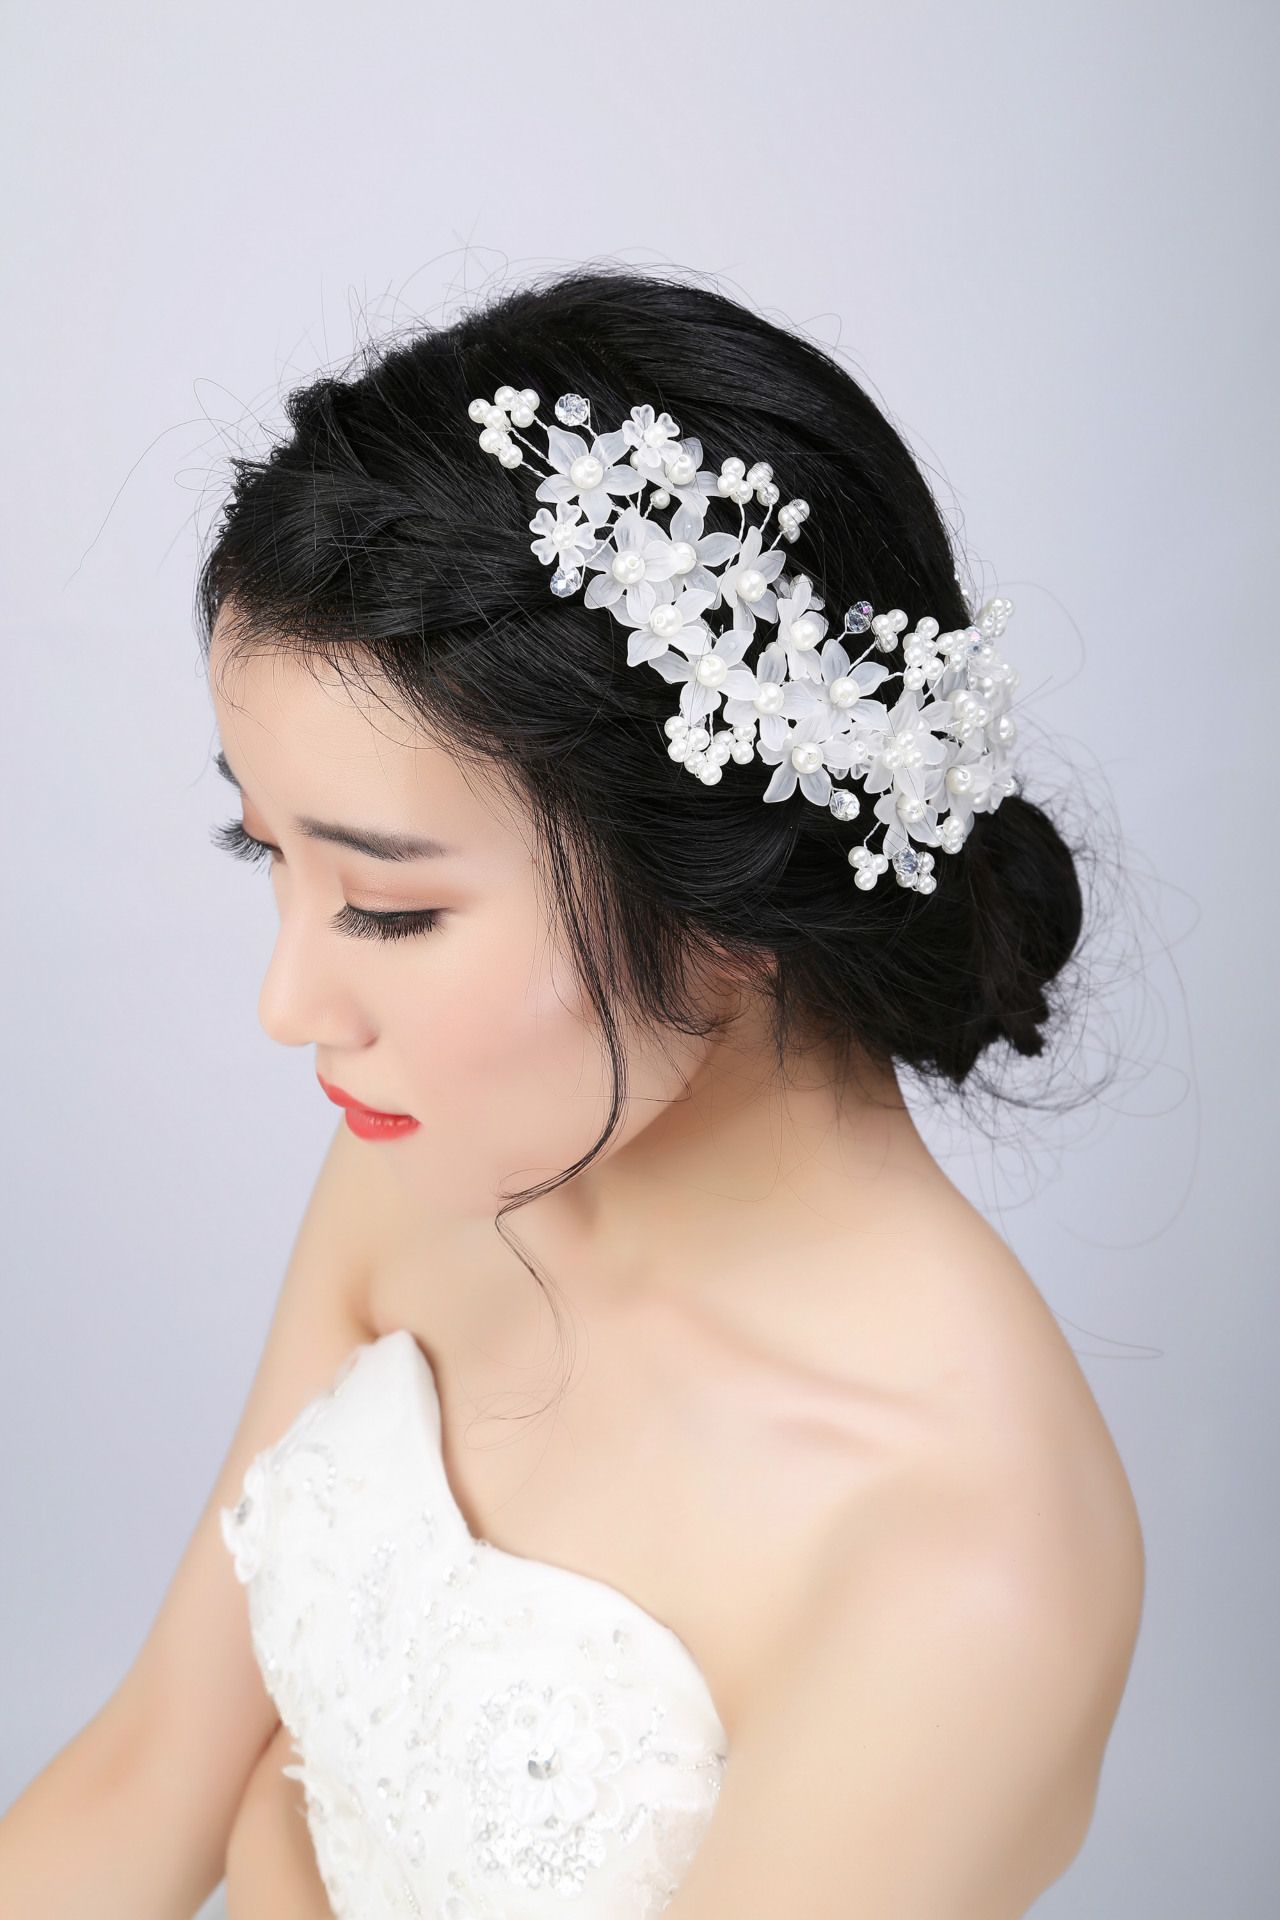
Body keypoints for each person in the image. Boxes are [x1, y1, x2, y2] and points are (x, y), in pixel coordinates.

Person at [0, 263, 1144, 1920]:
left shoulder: (963, 1562)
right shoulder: (438, 1166)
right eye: (267, 856)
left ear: (730, 907)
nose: (286, 1005)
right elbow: (143, 1782)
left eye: (388, 908)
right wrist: (234, 1823)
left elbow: (243, 1814)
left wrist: (282, 1864)